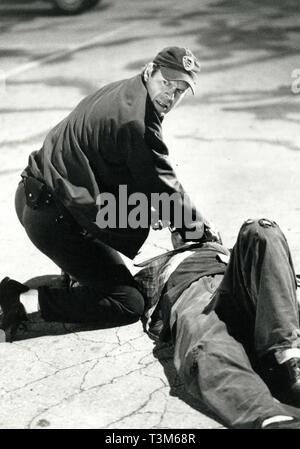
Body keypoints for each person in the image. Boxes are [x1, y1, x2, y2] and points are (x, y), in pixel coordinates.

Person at [0, 46, 218, 341]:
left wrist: (159, 213)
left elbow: (134, 180)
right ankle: (24, 301)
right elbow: (163, 185)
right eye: (166, 83)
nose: (170, 95)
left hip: (37, 197)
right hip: (54, 219)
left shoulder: (126, 90)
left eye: (179, 91)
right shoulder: (136, 121)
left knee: (139, 214)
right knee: (128, 303)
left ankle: (78, 273)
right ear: (149, 71)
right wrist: (198, 229)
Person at [134, 217, 300, 429]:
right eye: (181, 230)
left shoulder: (232, 253)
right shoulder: (155, 265)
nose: (189, 231)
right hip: (195, 297)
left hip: (246, 296)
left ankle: (286, 360)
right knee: (210, 345)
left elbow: (273, 271)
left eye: (198, 226)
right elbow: (124, 297)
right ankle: (271, 419)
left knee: (260, 228)